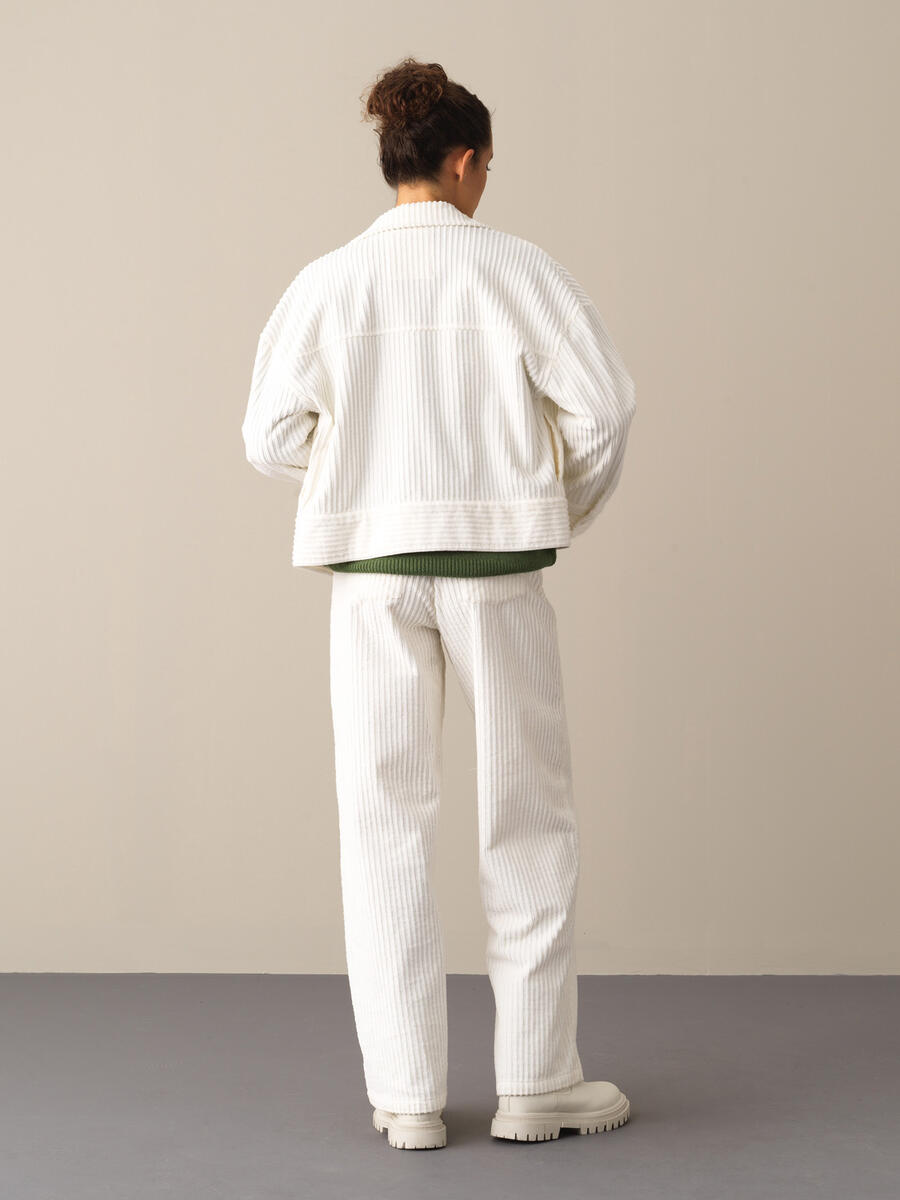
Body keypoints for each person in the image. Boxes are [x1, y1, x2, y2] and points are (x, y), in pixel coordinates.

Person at [241, 56, 637, 1150]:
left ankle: (408, 1096)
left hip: (372, 578)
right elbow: (605, 412)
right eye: (487, 165)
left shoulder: (329, 281)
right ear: (464, 162)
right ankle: (536, 1082)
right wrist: (539, 504)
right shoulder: (517, 268)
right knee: (528, 821)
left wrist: (366, 483)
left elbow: (268, 436)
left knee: (383, 828)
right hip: (496, 572)